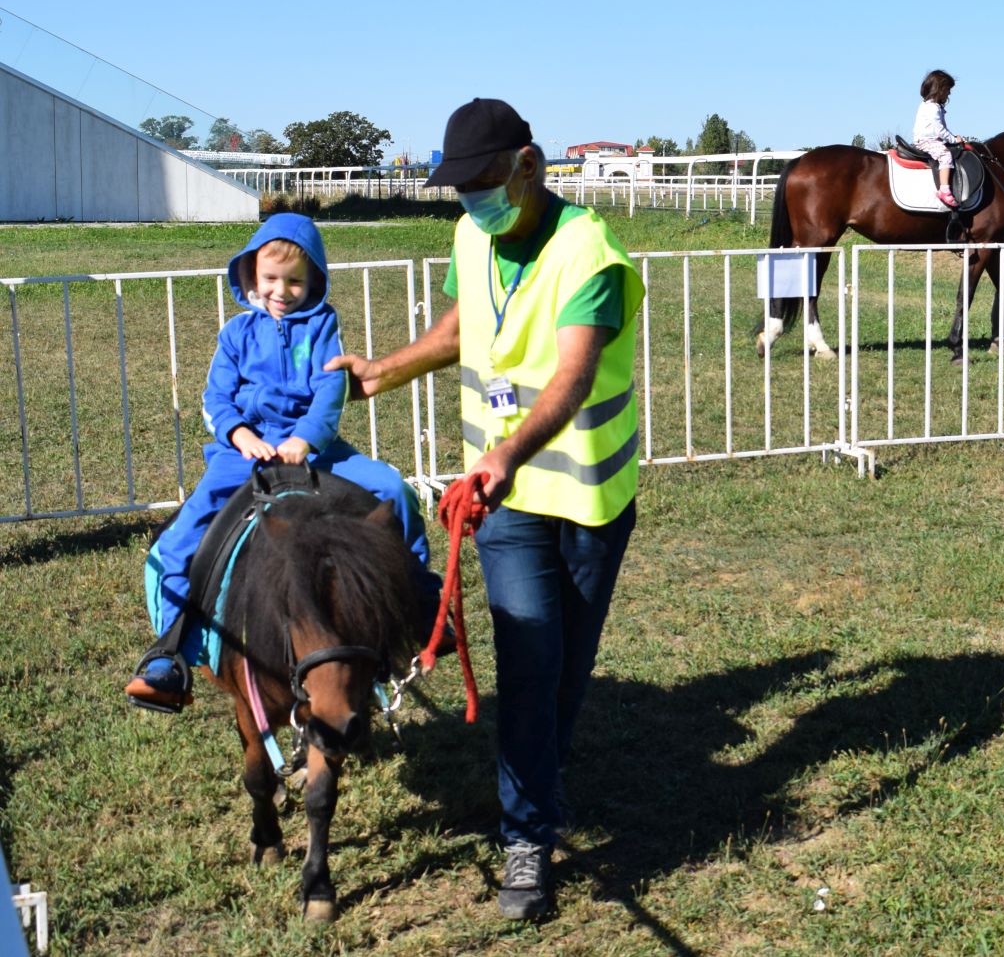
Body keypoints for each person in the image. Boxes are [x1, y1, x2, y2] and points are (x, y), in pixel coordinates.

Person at [324, 97, 644, 921]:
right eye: (461, 189)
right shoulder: (472, 234)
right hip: (503, 506)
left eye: (484, 184)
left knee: (566, 671)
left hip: (590, 500)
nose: (473, 201)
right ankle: (527, 838)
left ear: (528, 165)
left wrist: (511, 452)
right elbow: (467, 323)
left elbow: (574, 372)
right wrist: (384, 371)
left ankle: (539, 780)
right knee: (530, 665)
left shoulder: (588, 250)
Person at [126, 213, 442, 710]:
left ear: (314, 280)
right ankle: (171, 651)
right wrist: (239, 434)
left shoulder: (323, 325)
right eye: (271, 279)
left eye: (295, 281)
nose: (281, 291)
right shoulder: (235, 334)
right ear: (251, 276)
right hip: (243, 454)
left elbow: (331, 389)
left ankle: (423, 604)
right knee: (179, 541)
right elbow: (215, 398)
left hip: (316, 450)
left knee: (394, 490)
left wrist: (306, 439)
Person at [913, 68, 966, 208]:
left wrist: (952, 137)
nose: (949, 93)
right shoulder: (932, 107)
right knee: (945, 155)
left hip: (931, 140)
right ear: (940, 89)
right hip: (927, 141)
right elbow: (939, 130)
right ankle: (944, 190)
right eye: (948, 89)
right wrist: (954, 140)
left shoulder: (933, 106)